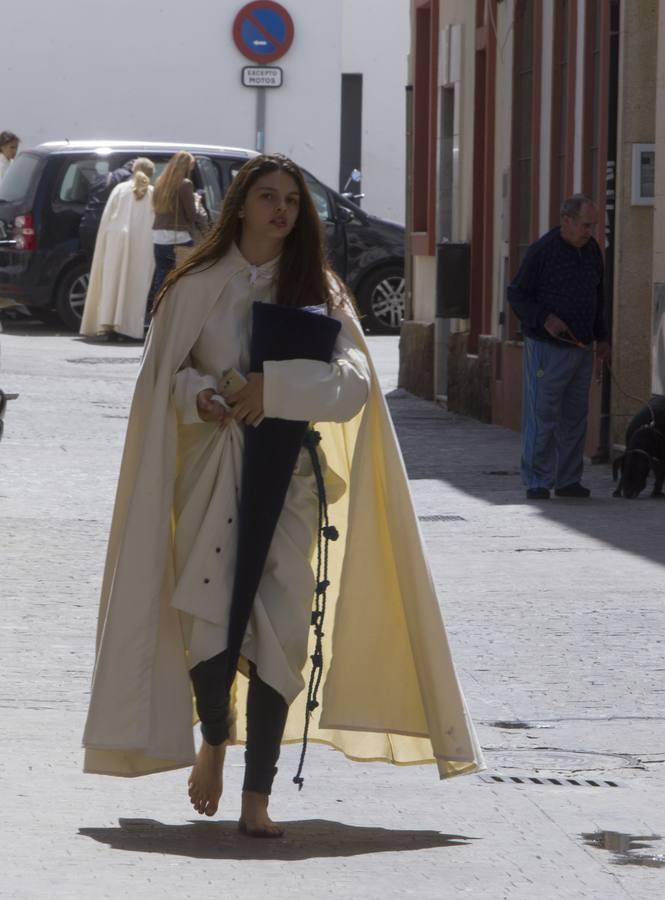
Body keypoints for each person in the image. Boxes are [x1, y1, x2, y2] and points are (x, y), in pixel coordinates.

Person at [82, 153, 484, 838]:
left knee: (281, 637)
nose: (280, 211)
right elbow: (161, 382)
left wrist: (279, 392)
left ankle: (257, 797)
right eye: (267, 197)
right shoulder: (195, 284)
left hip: (290, 483)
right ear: (240, 205)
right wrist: (201, 397)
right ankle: (214, 736)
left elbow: (354, 383)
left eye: (292, 202)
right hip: (212, 473)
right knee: (208, 627)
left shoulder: (317, 288)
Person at [508, 194, 611, 500]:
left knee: (576, 415)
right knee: (543, 414)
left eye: (592, 225)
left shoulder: (592, 251)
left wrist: (602, 337)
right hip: (546, 347)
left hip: (582, 348)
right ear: (566, 221)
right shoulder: (543, 251)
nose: (589, 231)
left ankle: (568, 479)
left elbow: (598, 298)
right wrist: (544, 318)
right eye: (584, 225)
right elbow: (517, 295)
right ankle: (537, 480)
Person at [79, 158, 156, 341]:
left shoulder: (119, 189)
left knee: (112, 283)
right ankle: (128, 328)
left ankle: (109, 324)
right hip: (142, 246)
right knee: (135, 285)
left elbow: (106, 220)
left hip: (115, 244)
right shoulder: (153, 193)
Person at [149, 151, 207, 300]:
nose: (191, 170)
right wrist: (196, 200)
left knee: (161, 275)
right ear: (186, 166)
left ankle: (158, 309)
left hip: (159, 238)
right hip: (179, 238)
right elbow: (192, 215)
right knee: (183, 278)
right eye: (191, 166)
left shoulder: (160, 182)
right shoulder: (185, 184)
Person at [79, 160, 136, 256]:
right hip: (103, 226)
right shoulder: (127, 178)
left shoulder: (102, 177)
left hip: (87, 224)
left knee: (93, 263)